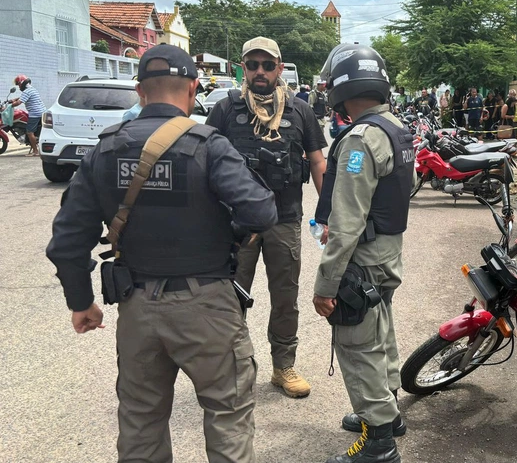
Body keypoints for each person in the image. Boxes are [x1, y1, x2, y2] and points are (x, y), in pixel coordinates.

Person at [46, 44, 278, 462]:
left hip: (137, 306)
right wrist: (231, 232)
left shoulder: (105, 149)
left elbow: (66, 240)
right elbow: (261, 211)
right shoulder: (209, 145)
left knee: (140, 420)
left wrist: (81, 303)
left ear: (139, 91)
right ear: (192, 89)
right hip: (207, 305)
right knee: (227, 414)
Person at [206, 36, 328, 398]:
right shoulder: (226, 108)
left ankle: (283, 367)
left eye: (267, 64)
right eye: (252, 64)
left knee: (285, 297)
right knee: (231, 296)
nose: (260, 71)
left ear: (279, 67)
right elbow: (204, 160)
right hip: (234, 223)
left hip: (284, 218)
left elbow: (318, 160)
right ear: (243, 67)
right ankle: (233, 370)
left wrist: (328, 213)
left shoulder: (300, 109)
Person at [312, 44, 411, 463]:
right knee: (380, 331)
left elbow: (347, 222)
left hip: (364, 260)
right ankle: (388, 412)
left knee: (358, 343)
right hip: (387, 254)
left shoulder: (360, 139)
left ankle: (379, 441)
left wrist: (325, 284)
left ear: (340, 89)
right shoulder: (394, 127)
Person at [10, 75, 43, 156]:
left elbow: (18, 102)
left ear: (22, 83)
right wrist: (13, 100)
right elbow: (22, 98)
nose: (19, 86)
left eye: (18, 84)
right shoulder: (32, 89)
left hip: (35, 113)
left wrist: (10, 106)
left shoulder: (27, 91)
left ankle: (35, 151)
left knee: (29, 132)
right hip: (41, 112)